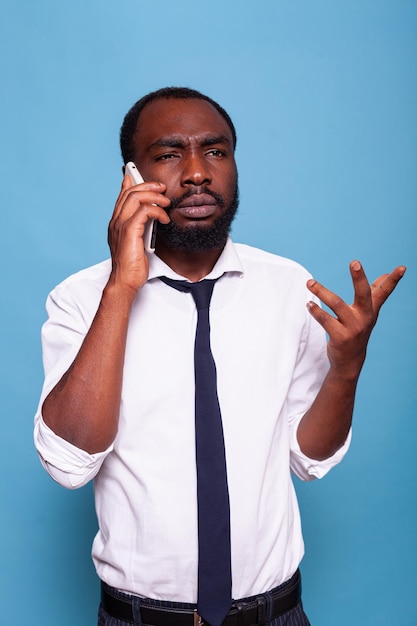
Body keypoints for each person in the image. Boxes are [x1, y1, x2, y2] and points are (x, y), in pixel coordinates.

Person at [34, 87, 405, 626]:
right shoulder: (80, 298)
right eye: (168, 154)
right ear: (131, 179)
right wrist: (122, 287)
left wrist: (346, 370)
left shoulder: (285, 285)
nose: (197, 173)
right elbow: (68, 463)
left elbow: (310, 459)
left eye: (215, 151)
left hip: (277, 613)